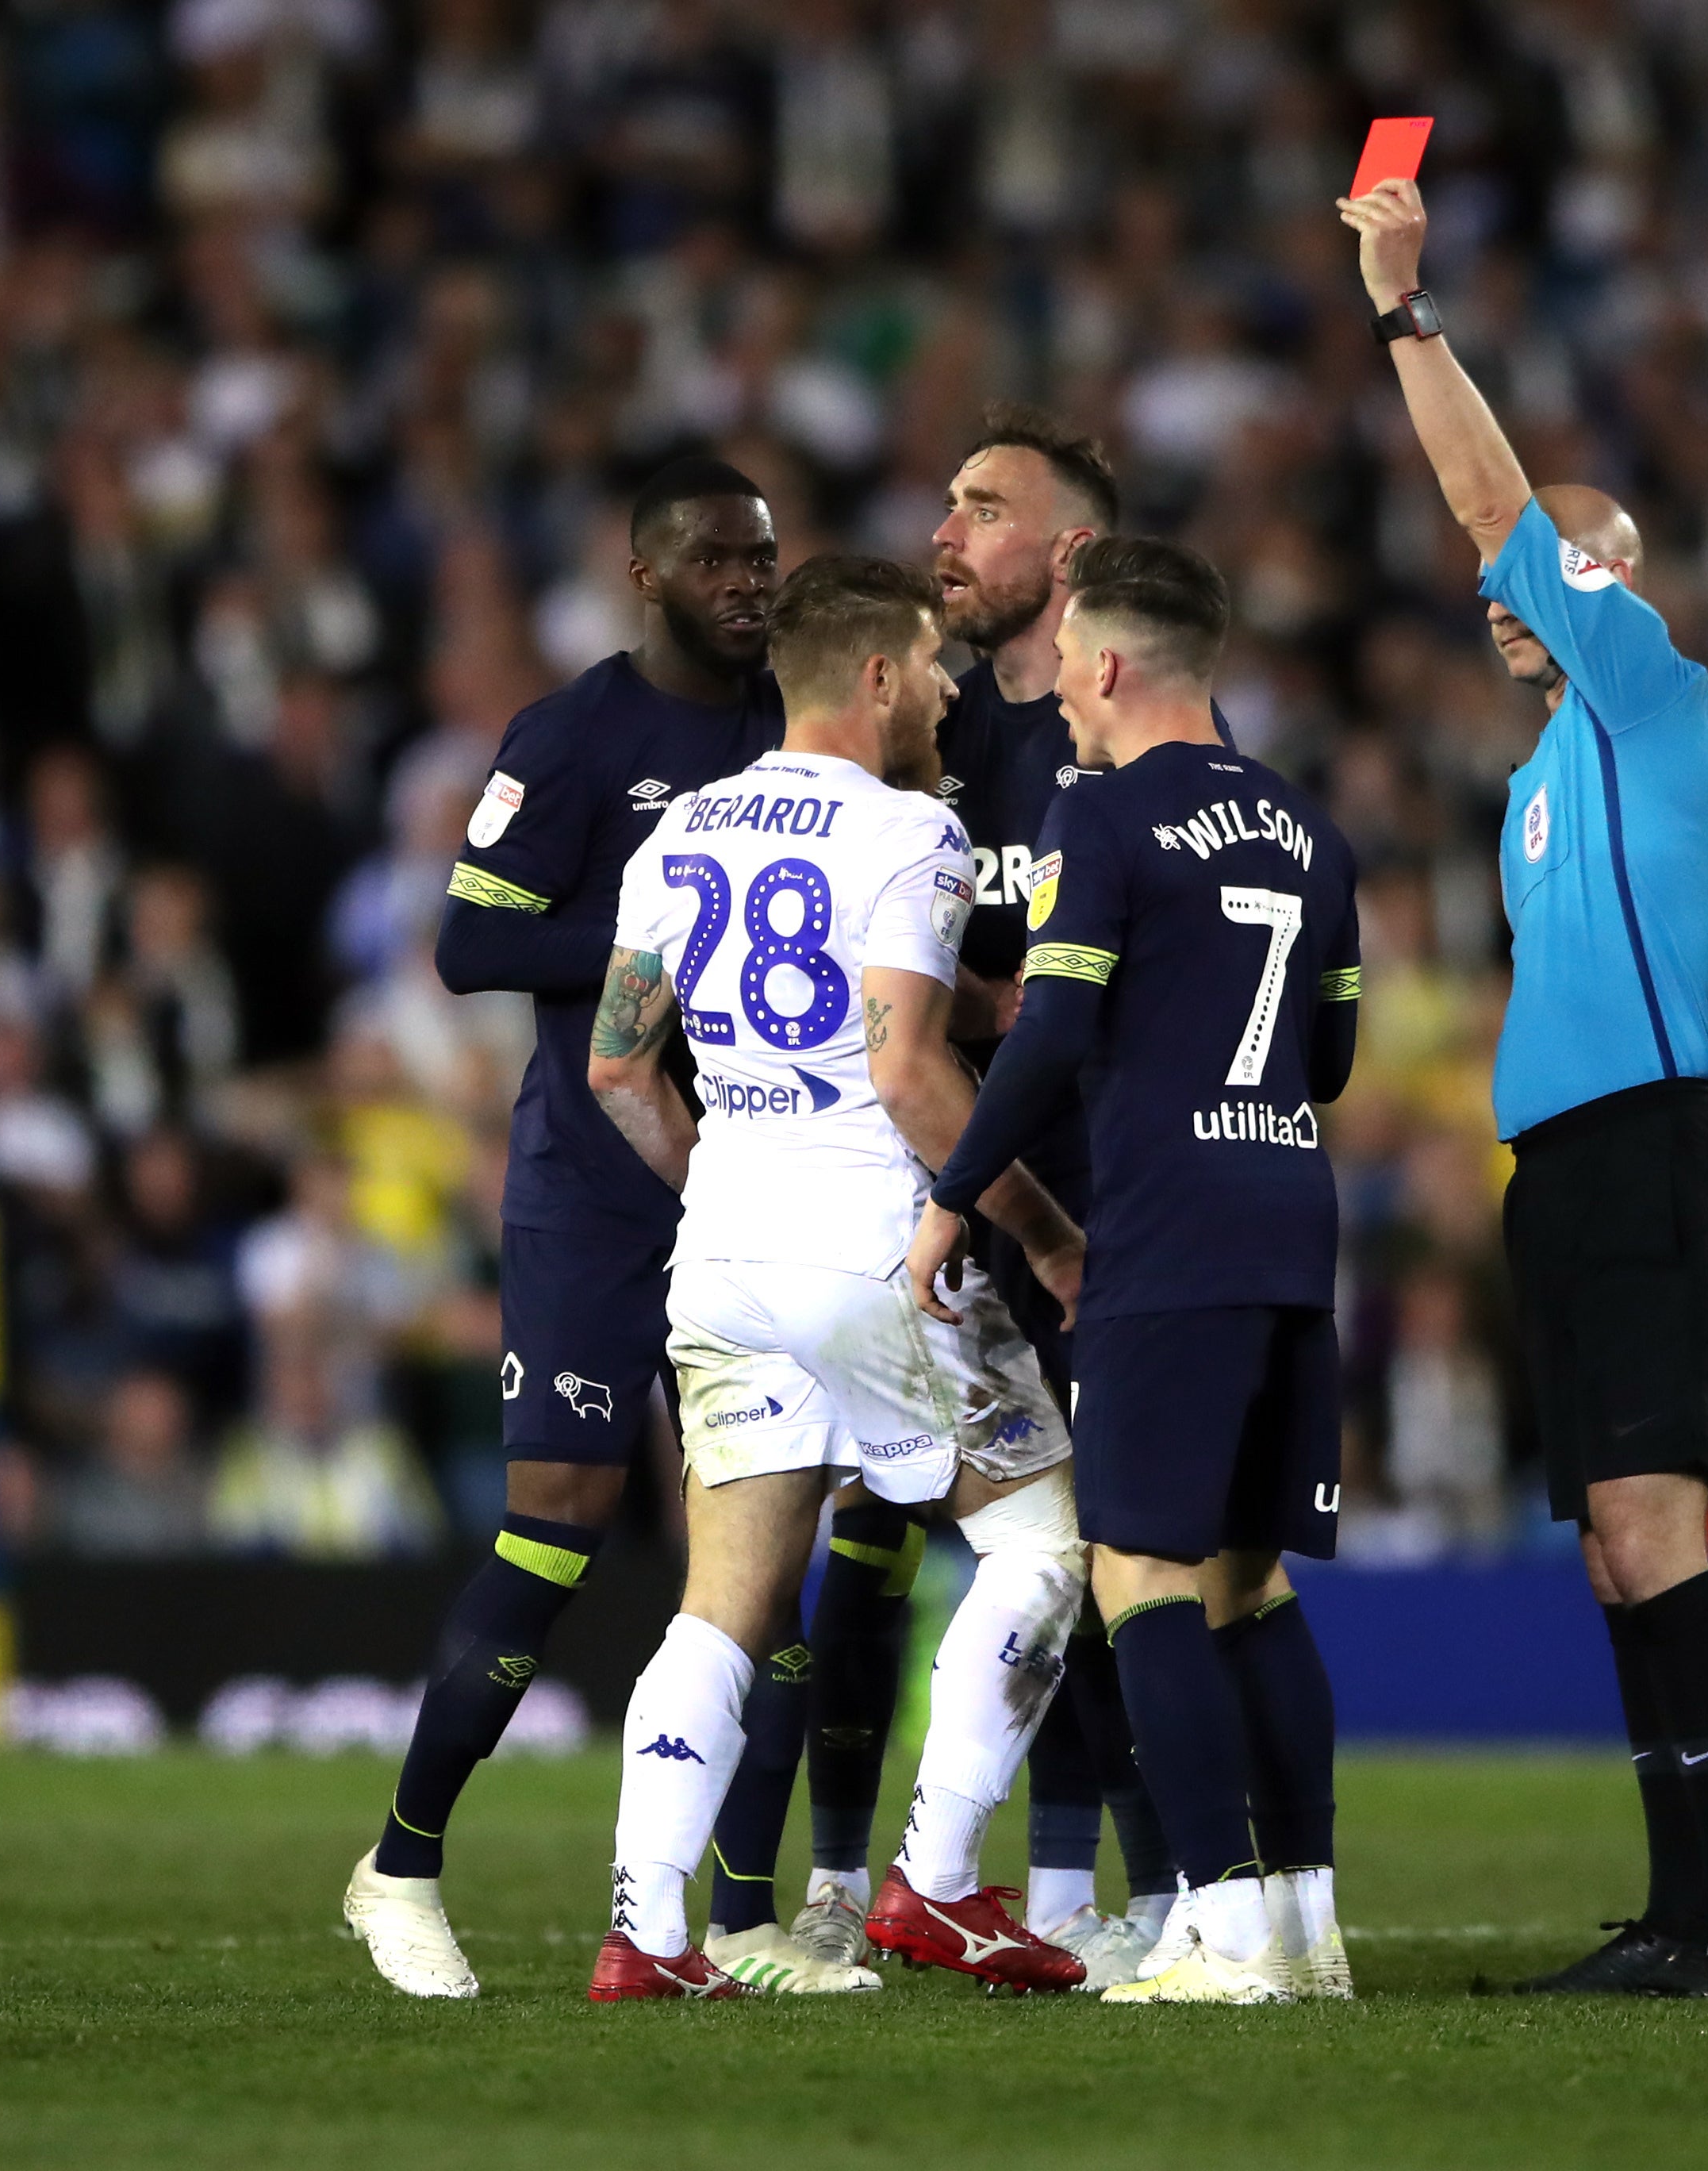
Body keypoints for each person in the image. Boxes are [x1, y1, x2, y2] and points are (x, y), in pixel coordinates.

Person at [1338, 176, 1708, 1996]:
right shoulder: (1538, 778)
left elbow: (1488, 501)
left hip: (1655, 1161)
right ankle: (1683, 1913)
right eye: (1523, 585)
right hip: (1572, 1171)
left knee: (1652, 1531)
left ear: (1616, 587)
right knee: (1613, 1551)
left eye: (1561, 568)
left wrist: (1402, 309)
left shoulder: (1651, 694)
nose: (1514, 588)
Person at [345, 457, 826, 1998]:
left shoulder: (800, 724)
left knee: (756, 1543)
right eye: (718, 560)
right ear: (647, 575)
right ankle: (401, 1865)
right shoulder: (572, 737)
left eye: (763, 557)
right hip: (589, 1186)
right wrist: (655, 937)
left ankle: (744, 1914)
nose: (751, 581)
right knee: (552, 1513)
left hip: (752, 1179)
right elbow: (470, 940)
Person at [584, 555, 1092, 2000]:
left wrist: (721, 1186)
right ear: (875, 677)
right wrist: (1047, 1234)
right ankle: (934, 1887)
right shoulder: (911, 835)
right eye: (929, 663)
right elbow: (910, 1069)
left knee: (721, 1603)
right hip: (871, 1240)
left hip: (724, 1253)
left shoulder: (679, 831)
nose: (944, 687)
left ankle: (647, 1929)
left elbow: (619, 1062)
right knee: (1043, 1545)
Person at [912, 536, 1361, 2005]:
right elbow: (1335, 1050)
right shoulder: (1307, 825)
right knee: (1250, 1582)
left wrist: (954, 1194)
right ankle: (1302, 1928)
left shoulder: (1097, 818)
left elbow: (1044, 1035)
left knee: (1140, 1572)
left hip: (1166, 1232)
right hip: (1292, 1217)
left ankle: (1218, 1928)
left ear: (1100, 666)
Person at [923, 405, 1195, 1982]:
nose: (946, 533)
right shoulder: (941, 747)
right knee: (1044, 1564)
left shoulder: (1127, 753)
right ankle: (1061, 1884)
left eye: (984, 507)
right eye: (948, 504)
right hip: (976, 1214)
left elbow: (1096, 1004)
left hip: (1120, 1212)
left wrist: (963, 1008)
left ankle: (1173, 1881)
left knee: (1131, 1559)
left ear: (1072, 553)